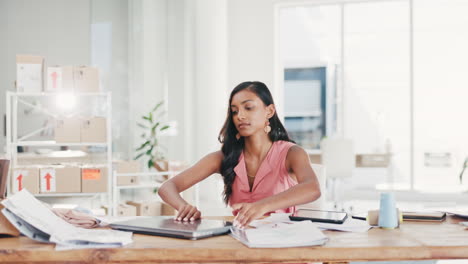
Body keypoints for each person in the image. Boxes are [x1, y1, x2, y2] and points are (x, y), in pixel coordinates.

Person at [158, 81, 321, 228]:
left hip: (283, 247)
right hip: (241, 245)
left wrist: (262, 206)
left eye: (248, 107)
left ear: (269, 111)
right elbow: (167, 187)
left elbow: (312, 188)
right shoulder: (223, 157)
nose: (240, 116)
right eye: (234, 111)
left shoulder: (292, 153)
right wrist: (183, 207)